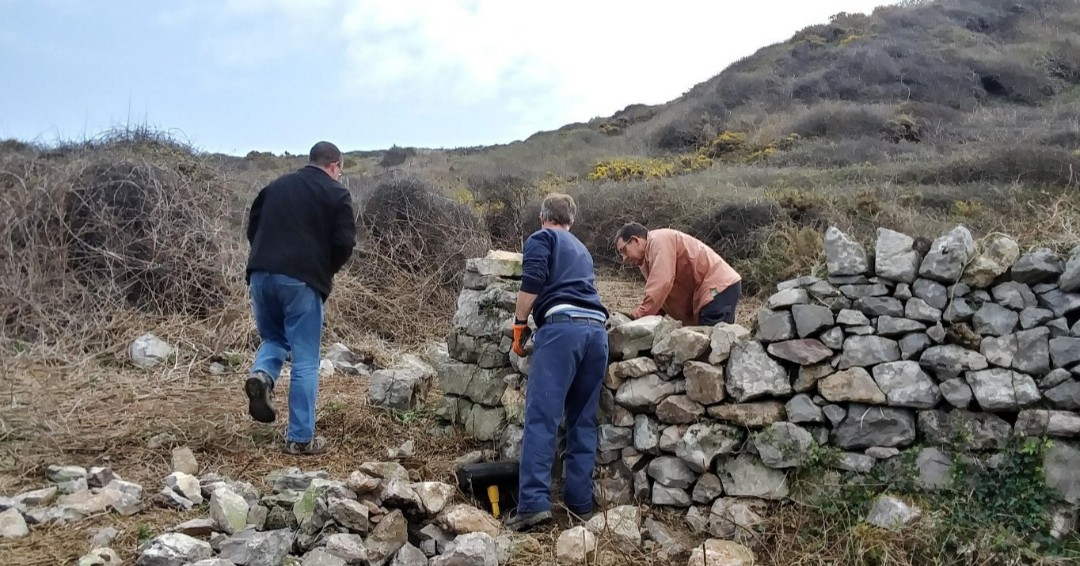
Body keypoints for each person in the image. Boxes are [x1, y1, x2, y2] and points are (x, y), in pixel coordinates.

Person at [243, 141, 356, 456]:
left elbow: (254, 228)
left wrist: (267, 259)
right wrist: (323, 270)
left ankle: (262, 375)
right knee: (306, 359)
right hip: (301, 281)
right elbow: (345, 242)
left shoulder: (275, 186)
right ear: (334, 165)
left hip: (260, 274)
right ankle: (301, 439)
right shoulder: (336, 194)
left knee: (274, 337)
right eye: (340, 170)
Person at [505, 193, 609, 532]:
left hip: (562, 331)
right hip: (597, 333)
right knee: (582, 420)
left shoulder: (542, 237)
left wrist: (519, 323)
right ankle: (579, 503)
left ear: (542, 217)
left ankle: (533, 504)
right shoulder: (581, 248)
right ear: (571, 220)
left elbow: (532, 280)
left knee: (542, 418)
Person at [613, 222, 742, 326]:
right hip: (715, 290)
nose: (624, 258)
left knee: (712, 348)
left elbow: (662, 282)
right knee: (714, 345)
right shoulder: (648, 257)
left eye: (624, 250)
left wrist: (640, 314)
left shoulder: (659, 241)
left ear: (635, 240)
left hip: (718, 289)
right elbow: (663, 295)